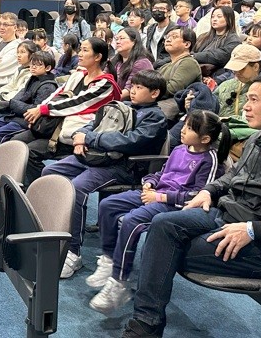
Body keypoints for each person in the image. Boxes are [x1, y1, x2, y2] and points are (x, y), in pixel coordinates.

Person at [122, 75, 261, 338]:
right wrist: (209, 190)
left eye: (254, 100)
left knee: (162, 249)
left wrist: (253, 229)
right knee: (162, 226)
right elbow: (233, 176)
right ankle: (147, 322)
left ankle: (145, 326)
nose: (246, 106)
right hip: (225, 216)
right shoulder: (257, 140)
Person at [87, 111, 230, 315]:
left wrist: (160, 197)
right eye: (185, 125)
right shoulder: (179, 149)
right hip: (155, 194)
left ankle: (119, 280)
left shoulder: (209, 160)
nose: (182, 130)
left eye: (190, 128)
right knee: (108, 205)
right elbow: (162, 173)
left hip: (173, 205)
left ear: (205, 138)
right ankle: (109, 259)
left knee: (131, 221)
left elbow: (197, 195)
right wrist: (150, 182)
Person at [41, 69, 167, 279]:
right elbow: (93, 124)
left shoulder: (155, 117)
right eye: (132, 86)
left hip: (123, 167)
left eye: (139, 87)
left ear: (154, 93)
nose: (132, 91)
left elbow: (131, 141)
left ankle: (72, 252)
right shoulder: (123, 106)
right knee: (50, 172)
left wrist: (90, 139)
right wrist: (80, 137)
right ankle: (51, 229)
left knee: (77, 188)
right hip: (96, 157)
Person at [10, 37, 121, 185]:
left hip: (73, 134)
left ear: (97, 57)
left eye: (85, 50)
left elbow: (77, 103)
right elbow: (56, 95)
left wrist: (43, 110)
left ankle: (40, 190)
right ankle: (17, 188)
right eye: (80, 49)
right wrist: (37, 113)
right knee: (15, 143)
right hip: (53, 125)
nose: (79, 54)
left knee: (30, 151)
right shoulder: (78, 75)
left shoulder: (106, 85)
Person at [0, 50, 58, 148]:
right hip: (16, 115)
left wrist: (14, 104)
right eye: (32, 64)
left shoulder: (48, 87)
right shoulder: (33, 79)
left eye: (38, 65)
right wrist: (14, 103)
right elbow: (20, 96)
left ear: (48, 68)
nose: (33, 67)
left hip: (26, 122)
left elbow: (34, 110)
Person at [214, 43, 261, 159]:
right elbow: (212, 106)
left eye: (241, 69)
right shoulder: (225, 85)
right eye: (234, 69)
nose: (236, 72)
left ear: (255, 67)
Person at [193, 6, 242, 80]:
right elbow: (193, 50)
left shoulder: (234, 40)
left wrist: (194, 56)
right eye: (212, 17)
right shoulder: (203, 37)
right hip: (196, 71)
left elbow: (220, 56)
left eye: (219, 17)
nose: (214, 19)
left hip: (217, 76)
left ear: (229, 19)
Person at [109, 27, 154, 100]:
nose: (117, 42)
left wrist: (106, 100)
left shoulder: (141, 63)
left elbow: (128, 91)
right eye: (116, 39)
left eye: (121, 38)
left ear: (133, 42)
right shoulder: (115, 60)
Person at [156, 27, 201, 97]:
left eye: (174, 37)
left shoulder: (189, 63)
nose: (168, 40)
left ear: (186, 44)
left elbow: (172, 90)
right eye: (167, 37)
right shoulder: (165, 66)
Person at [144, 0, 173, 67]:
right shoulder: (150, 29)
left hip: (167, 66)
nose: (157, 11)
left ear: (169, 12)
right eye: (155, 8)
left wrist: (159, 63)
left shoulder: (175, 29)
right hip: (151, 65)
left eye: (161, 8)